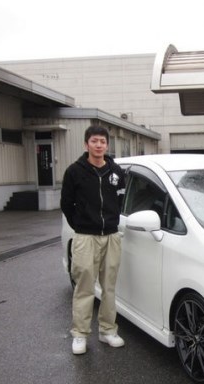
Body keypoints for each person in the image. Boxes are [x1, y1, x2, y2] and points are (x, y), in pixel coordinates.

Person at [60, 125, 126, 355]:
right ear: (86, 144)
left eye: (102, 142)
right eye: (94, 141)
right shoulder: (74, 172)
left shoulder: (116, 171)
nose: (99, 145)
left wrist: (110, 221)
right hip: (85, 237)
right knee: (84, 287)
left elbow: (120, 201)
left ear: (107, 145)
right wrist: (81, 224)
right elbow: (66, 204)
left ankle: (107, 330)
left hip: (111, 236)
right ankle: (80, 334)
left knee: (109, 286)